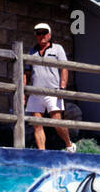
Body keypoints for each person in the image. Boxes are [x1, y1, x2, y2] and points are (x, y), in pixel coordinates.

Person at [26, 22, 74, 152]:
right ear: (35, 35)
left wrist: (62, 88)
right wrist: (24, 91)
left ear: (49, 34)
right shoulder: (32, 51)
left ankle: (69, 145)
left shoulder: (58, 48)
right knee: (37, 125)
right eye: (38, 33)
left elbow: (64, 68)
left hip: (53, 91)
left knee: (57, 122)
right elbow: (27, 72)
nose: (41, 36)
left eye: (44, 33)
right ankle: (42, 153)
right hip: (35, 92)